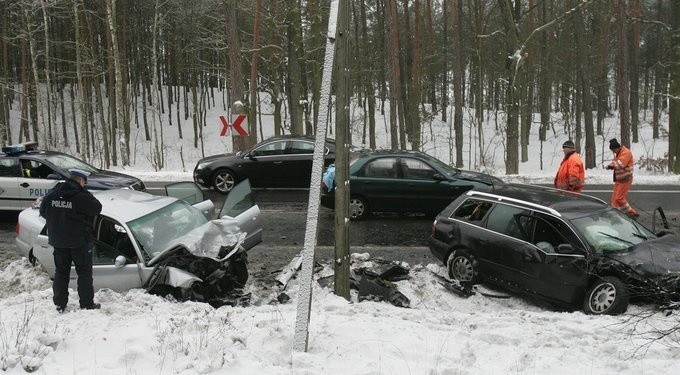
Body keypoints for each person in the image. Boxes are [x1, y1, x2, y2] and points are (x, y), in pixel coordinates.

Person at [40, 169, 102, 312]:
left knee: (61, 272)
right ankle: (86, 304)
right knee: (84, 273)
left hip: (58, 242)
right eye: (84, 183)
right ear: (81, 181)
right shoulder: (81, 197)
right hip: (79, 242)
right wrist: (84, 192)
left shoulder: (52, 194)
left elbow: (43, 212)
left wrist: (58, 222)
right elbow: (97, 208)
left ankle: (60, 303)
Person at [607, 138, 638, 218]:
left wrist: (612, 166)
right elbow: (615, 161)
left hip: (625, 179)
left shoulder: (626, 152)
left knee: (619, 199)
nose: (613, 152)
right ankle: (616, 213)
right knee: (614, 199)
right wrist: (610, 165)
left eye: (613, 150)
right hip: (619, 179)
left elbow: (621, 163)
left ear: (616, 148)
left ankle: (632, 213)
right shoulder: (619, 153)